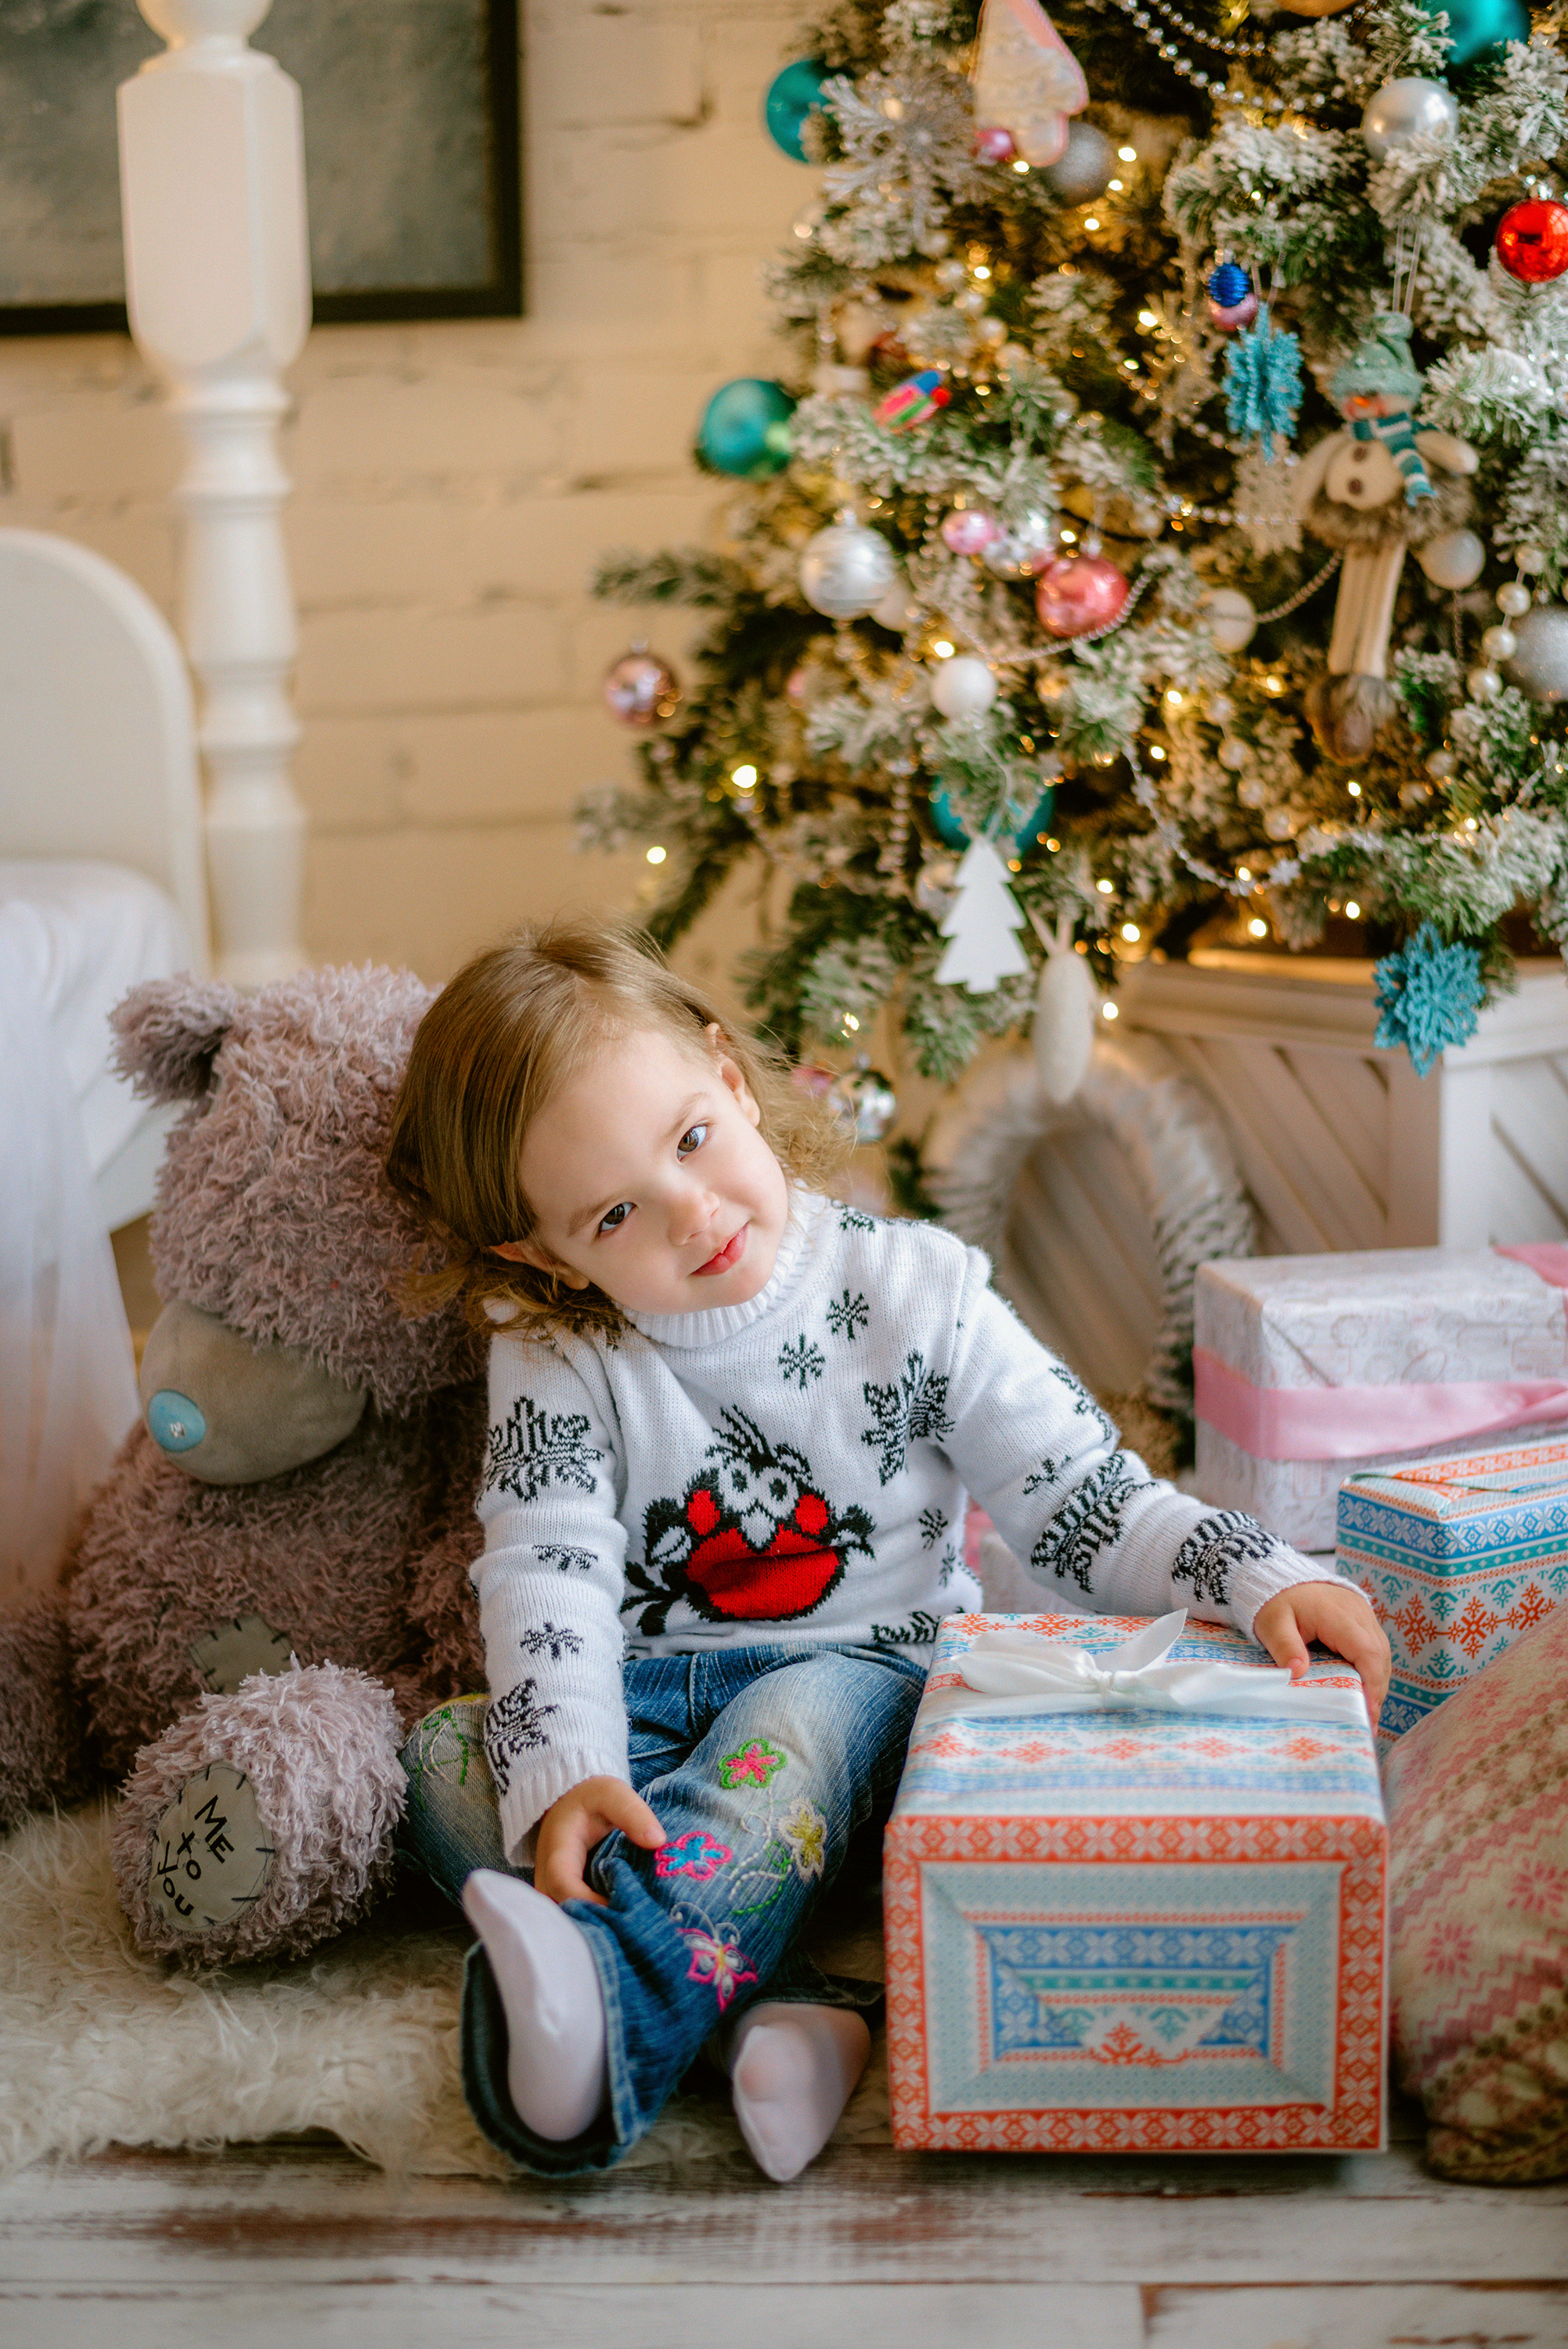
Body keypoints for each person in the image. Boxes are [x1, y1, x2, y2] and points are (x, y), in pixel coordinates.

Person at [384, 915, 1390, 2184]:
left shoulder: (916, 1291)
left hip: (856, 1688)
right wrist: (571, 1768)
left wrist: (1256, 1572)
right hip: (642, 1704)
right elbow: (546, 1570)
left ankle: (592, 2030)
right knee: (453, 1761)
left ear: (733, 1078)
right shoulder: (556, 1350)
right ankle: (791, 2014)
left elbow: (1086, 1499)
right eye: (618, 1214)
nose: (693, 1213)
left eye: (694, 1139)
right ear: (544, 1254)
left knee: (781, 1752)